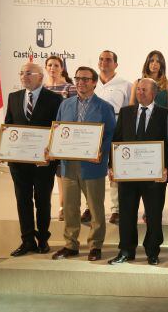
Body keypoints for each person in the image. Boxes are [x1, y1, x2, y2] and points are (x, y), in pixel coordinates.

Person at [51, 66, 116, 261]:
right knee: (70, 207)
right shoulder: (66, 105)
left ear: (94, 83)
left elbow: (110, 136)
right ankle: (71, 245)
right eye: (78, 79)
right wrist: (53, 148)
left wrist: (100, 152)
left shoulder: (105, 107)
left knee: (95, 207)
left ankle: (95, 246)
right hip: (69, 164)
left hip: (92, 165)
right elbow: (59, 130)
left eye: (86, 79)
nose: (81, 82)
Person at [107, 78, 168, 266]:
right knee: (126, 214)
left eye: (144, 90)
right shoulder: (126, 112)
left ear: (154, 93)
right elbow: (116, 141)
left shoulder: (165, 114)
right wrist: (113, 167)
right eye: (138, 90)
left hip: (155, 176)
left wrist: (167, 167)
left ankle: (152, 251)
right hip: (127, 175)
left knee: (153, 215)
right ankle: (126, 250)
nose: (140, 93)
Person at [1, 62, 62, 257]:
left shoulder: (55, 99)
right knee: (22, 200)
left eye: (28, 73)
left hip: (44, 162)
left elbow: (57, 129)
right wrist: (2, 148)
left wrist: (51, 153)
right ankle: (27, 240)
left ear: (40, 77)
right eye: (21, 73)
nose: (23, 76)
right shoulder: (13, 97)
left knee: (43, 200)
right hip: (18, 162)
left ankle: (43, 238)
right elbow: (9, 126)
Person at [93, 50, 133, 225]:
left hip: (116, 130)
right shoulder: (91, 83)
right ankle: (90, 206)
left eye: (108, 60)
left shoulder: (125, 84)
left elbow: (129, 111)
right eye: (101, 59)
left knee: (115, 170)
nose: (104, 62)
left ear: (116, 64)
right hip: (92, 131)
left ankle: (116, 209)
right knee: (93, 169)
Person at [42, 55, 77, 222]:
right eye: (49, 65)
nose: (52, 68)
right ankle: (44, 206)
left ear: (62, 68)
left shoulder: (70, 88)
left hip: (64, 137)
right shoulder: (42, 88)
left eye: (56, 65)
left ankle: (63, 207)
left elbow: (75, 113)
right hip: (45, 137)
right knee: (45, 173)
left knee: (62, 173)